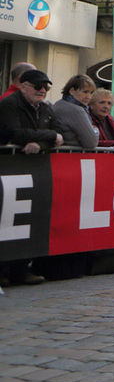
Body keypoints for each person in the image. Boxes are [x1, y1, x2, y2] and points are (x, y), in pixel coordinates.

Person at [0, 69, 61, 286]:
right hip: (9, 168)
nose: (43, 90)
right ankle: (3, 270)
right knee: (7, 219)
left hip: (34, 169)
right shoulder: (10, 104)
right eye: (38, 86)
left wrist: (42, 143)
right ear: (24, 86)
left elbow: (58, 133)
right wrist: (50, 136)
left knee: (31, 218)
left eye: (46, 87)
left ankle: (21, 269)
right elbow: (14, 133)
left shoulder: (45, 108)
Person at [53, 74, 99, 149]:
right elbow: (91, 143)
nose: (89, 97)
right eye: (85, 92)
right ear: (71, 91)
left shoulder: (58, 104)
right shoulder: (77, 110)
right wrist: (95, 129)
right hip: (70, 156)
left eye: (91, 93)